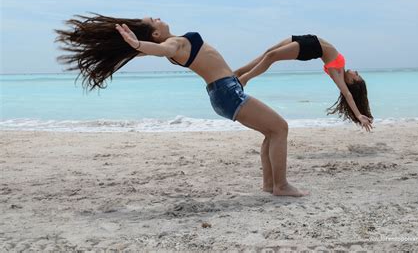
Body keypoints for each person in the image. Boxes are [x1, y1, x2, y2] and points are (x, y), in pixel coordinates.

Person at [54, 13, 306, 197]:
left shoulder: (174, 43)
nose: (158, 17)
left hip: (225, 91)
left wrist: (133, 46)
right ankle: (281, 185)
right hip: (226, 93)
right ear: (156, 33)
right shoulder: (174, 44)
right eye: (154, 20)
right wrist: (139, 45)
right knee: (280, 128)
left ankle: (270, 184)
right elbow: (160, 50)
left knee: (271, 131)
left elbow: (155, 49)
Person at [233, 35, 373, 132]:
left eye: (357, 75)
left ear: (352, 81)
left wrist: (359, 115)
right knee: (269, 52)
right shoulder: (341, 68)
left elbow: (347, 94)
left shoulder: (337, 73)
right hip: (309, 38)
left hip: (311, 47)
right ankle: (239, 72)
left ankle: (244, 79)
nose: (355, 71)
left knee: (271, 56)